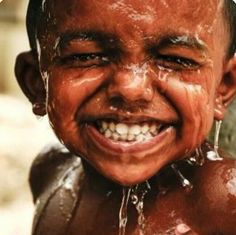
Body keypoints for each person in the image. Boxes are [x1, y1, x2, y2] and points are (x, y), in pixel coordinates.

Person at [15, 0, 236, 234]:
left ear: (223, 87)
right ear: (37, 83)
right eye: (86, 56)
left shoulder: (225, 201)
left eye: (176, 60)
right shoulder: (51, 171)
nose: (130, 88)